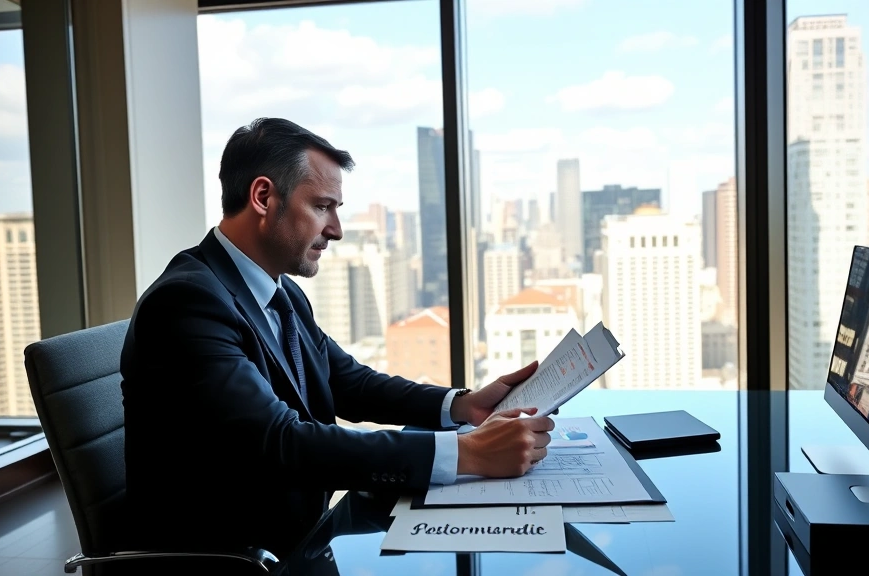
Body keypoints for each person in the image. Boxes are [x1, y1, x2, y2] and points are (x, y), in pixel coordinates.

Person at [120, 117, 555, 557]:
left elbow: (348, 382)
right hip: (232, 558)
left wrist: (461, 404)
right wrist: (466, 455)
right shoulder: (186, 302)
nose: (336, 229)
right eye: (323, 206)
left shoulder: (278, 290)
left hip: (302, 536)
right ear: (263, 197)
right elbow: (279, 441)